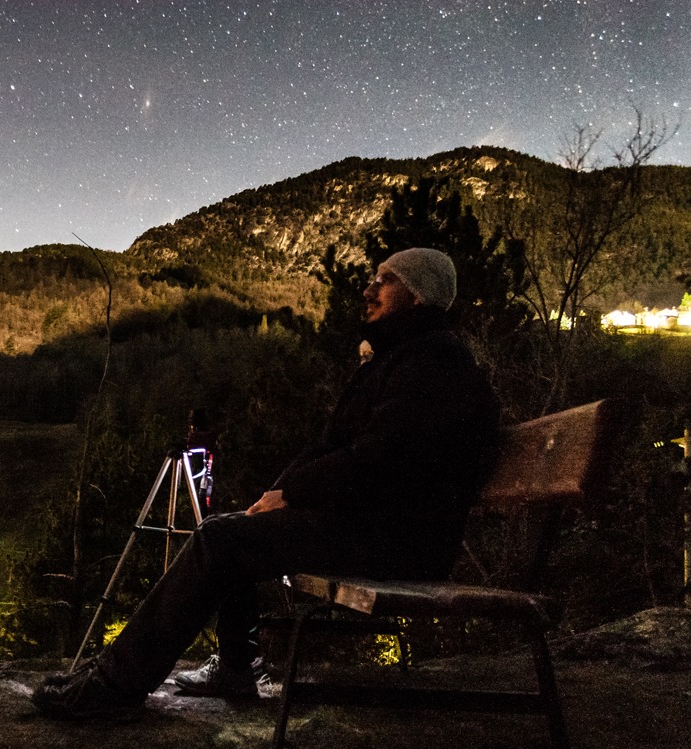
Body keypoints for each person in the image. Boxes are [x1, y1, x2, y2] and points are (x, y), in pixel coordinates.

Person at [32, 247, 501, 719]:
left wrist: (293, 494)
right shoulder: (400, 359)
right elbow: (329, 447)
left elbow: (378, 458)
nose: (368, 288)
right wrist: (275, 496)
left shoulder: (434, 363)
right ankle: (231, 668)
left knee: (222, 539)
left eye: (385, 280)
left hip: (402, 540)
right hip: (375, 526)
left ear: (419, 297)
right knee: (233, 526)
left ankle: (113, 687)